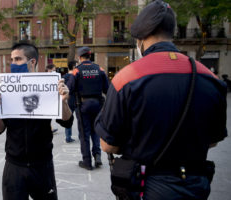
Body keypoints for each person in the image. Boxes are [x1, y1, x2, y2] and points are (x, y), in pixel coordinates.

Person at [94, 1, 227, 199]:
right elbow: (213, 141)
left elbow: (108, 145)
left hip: (147, 187)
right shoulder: (210, 78)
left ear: (140, 38)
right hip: (195, 186)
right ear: (171, 32)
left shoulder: (126, 78)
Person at [0, 42, 73, 200]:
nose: (13, 64)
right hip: (14, 166)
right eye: (12, 60)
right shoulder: (6, 89)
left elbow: (67, 121)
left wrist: (63, 101)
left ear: (32, 62)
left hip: (42, 166)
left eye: (18, 59)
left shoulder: (49, 85)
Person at [67, 46, 109, 170]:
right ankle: (97, 156)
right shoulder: (99, 69)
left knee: (84, 134)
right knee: (95, 130)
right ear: (90, 56)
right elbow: (107, 89)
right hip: (98, 104)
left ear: (80, 57)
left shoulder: (77, 71)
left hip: (83, 106)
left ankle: (87, 161)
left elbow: (70, 88)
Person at [62, 60, 77, 143]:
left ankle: (68, 137)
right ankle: (81, 136)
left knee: (68, 118)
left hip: (68, 99)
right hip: (77, 99)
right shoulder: (77, 76)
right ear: (74, 67)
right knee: (80, 119)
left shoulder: (64, 77)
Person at [45, 64, 58, 134]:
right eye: (53, 70)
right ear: (49, 70)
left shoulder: (53, 77)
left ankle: (50, 128)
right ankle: (49, 129)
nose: (54, 71)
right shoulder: (46, 77)